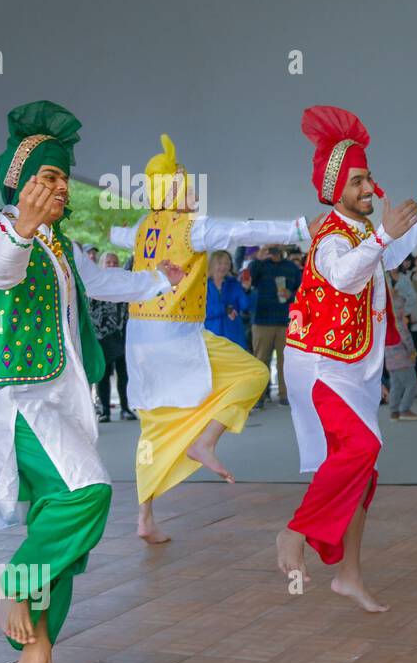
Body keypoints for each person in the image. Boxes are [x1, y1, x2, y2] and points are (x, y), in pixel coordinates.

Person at [0, 101, 182, 663]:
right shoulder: (2, 235)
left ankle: (36, 660)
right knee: (87, 494)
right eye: (48, 177)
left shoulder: (60, 247)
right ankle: (15, 581)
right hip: (18, 404)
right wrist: (23, 229)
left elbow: (100, 280)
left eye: (65, 177)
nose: (61, 188)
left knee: (66, 538)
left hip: (60, 400)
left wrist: (160, 280)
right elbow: (1, 268)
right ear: (20, 184)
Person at [108, 135, 313, 544]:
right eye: (185, 183)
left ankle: (145, 517)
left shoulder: (143, 227)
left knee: (154, 423)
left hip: (141, 340)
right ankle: (205, 441)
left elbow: (118, 235)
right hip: (177, 333)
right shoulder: (192, 228)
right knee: (253, 374)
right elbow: (243, 230)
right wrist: (298, 228)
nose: (193, 190)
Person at [276, 106, 417, 610]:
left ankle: (350, 574)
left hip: (354, 368)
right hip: (321, 367)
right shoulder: (328, 238)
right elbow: (344, 275)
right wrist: (385, 234)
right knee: (360, 450)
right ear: (336, 187)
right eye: (359, 180)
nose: (369, 187)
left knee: (362, 473)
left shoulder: (363, 233)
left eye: (369, 177)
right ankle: (295, 531)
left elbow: (386, 257)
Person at [249, 244, 302, 407]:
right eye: (270, 247)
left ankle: (285, 394)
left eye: (276, 246)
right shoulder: (259, 265)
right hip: (262, 319)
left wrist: (291, 295)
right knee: (260, 360)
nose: (273, 250)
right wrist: (259, 257)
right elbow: (249, 280)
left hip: (285, 320)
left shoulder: (292, 267)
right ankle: (259, 397)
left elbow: (302, 290)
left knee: (286, 361)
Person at [88, 252, 132, 421]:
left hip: (123, 334)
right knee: (103, 376)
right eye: (109, 262)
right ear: (102, 265)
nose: (112, 265)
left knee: (124, 374)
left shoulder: (124, 283)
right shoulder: (96, 283)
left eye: (115, 262)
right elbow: (91, 310)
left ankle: (126, 408)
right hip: (102, 336)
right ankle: (104, 410)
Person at [204, 249, 254, 348]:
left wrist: (246, 290)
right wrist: (225, 308)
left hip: (234, 336)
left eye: (227, 263)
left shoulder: (234, 283)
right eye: (220, 263)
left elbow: (245, 306)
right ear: (212, 265)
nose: (224, 266)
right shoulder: (203, 286)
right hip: (211, 337)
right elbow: (203, 311)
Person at [385, 291, 417, 421]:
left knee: (396, 385)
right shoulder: (398, 323)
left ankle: (393, 411)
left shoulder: (386, 324)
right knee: (411, 383)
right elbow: (406, 339)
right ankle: (405, 409)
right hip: (402, 358)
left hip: (390, 360)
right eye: (401, 308)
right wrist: (412, 352)